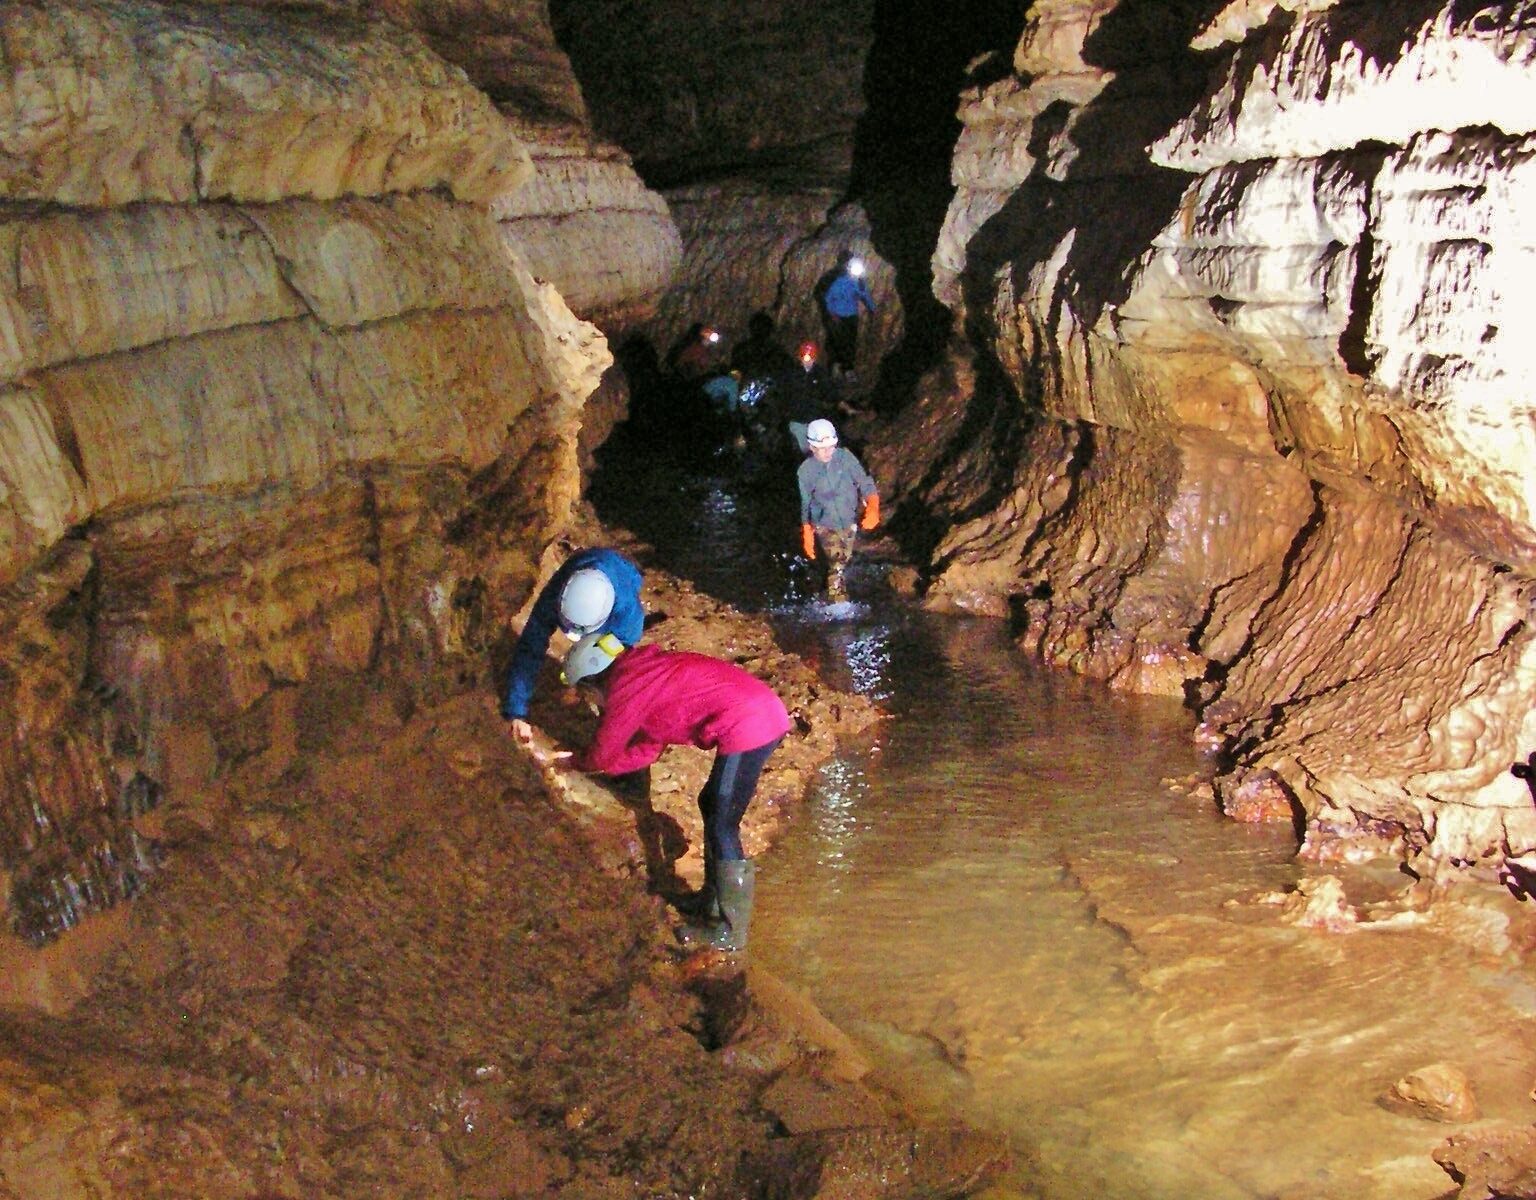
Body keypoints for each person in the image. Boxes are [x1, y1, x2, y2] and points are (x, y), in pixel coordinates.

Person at [538, 634, 791, 953]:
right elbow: (648, 748)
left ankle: (729, 933)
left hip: (751, 723)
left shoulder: (626, 687)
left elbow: (604, 750)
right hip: (759, 713)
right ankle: (710, 903)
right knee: (710, 804)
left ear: (592, 685)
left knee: (723, 821)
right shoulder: (642, 674)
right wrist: (603, 766)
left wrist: (576, 762)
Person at [500, 548, 645, 745]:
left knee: (611, 677)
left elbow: (619, 668)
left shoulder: (627, 619)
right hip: (588, 564)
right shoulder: (557, 594)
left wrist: (580, 685)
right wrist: (515, 712)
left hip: (621, 578)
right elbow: (530, 646)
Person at [797, 419, 879, 602]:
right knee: (837, 562)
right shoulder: (806, 471)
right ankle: (839, 606)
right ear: (811, 447)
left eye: (831, 446)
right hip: (824, 525)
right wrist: (807, 530)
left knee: (843, 559)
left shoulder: (845, 458)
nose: (828, 452)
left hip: (848, 522)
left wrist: (873, 505)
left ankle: (821, 593)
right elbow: (806, 503)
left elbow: (864, 482)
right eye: (822, 448)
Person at [819, 252, 875, 381]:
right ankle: (839, 367)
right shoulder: (839, 281)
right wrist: (832, 314)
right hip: (838, 317)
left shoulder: (858, 282)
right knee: (840, 342)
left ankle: (847, 368)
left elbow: (865, 295)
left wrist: (872, 308)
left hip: (852, 316)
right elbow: (828, 299)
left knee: (850, 342)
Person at [780, 340, 835, 454]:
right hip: (797, 419)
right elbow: (784, 393)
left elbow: (828, 392)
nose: (808, 362)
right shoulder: (791, 373)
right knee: (803, 450)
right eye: (805, 358)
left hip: (814, 418)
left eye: (811, 358)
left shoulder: (819, 373)